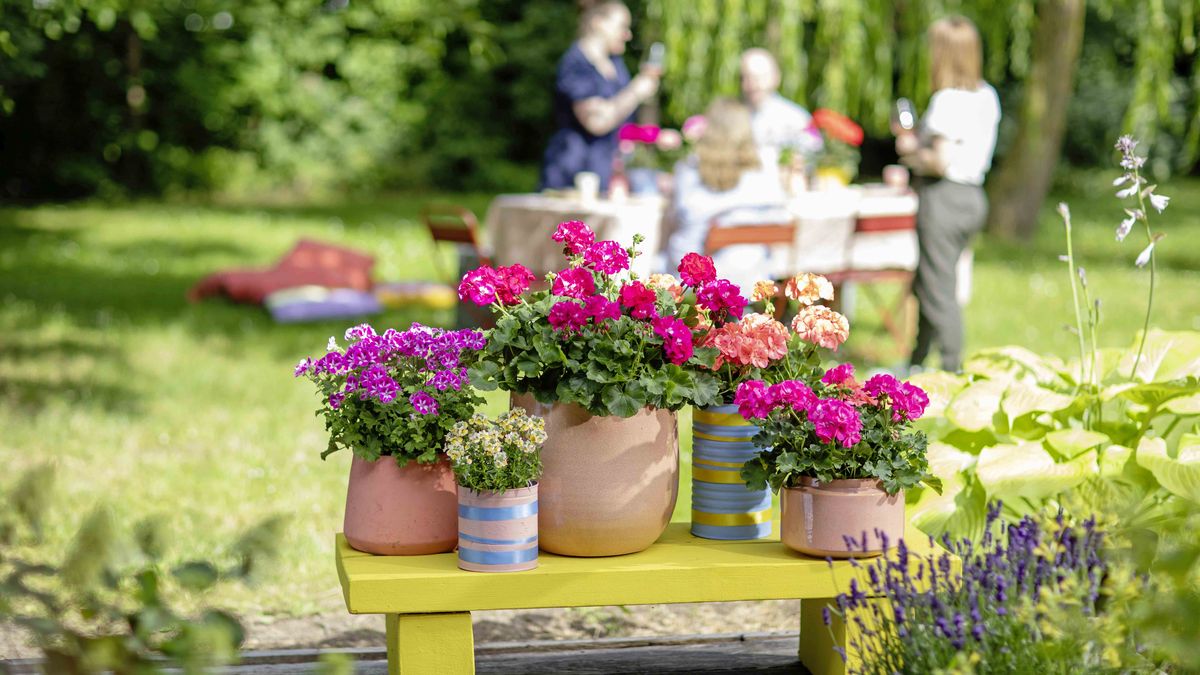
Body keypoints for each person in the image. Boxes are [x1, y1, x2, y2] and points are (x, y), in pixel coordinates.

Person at [896, 16, 1001, 373]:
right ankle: (917, 360)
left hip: (944, 197)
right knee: (932, 278)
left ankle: (953, 368)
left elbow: (939, 161)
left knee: (938, 288)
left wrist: (909, 149)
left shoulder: (946, 100)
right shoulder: (986, 95)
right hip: (973, 197)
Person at [663, 98, 788, 293]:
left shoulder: (690, 171)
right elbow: (780, 221)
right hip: (755, 278)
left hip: (694, 284)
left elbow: (678, 222)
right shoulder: (763, 176)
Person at [539, 1, 661, 192]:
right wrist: (636, 91)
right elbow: (596, 122)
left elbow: (621, 118)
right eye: (622, 26)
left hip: (606, 172)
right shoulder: (576, 63)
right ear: (598, 23)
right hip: (571, 171)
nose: (627, 35)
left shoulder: (615, 64)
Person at [739, 48, 822, 169]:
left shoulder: (795, 118)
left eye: (758, 78)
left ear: (776, 77)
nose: (752, 84)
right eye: (745, 77)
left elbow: (813, 157)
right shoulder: (731, 116)